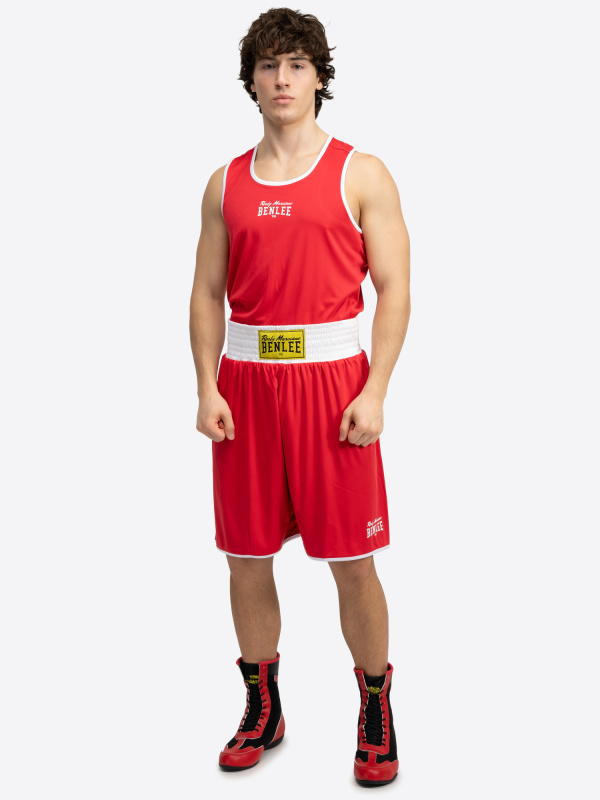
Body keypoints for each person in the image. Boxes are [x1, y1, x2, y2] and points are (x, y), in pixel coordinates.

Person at [189, 7, 410, 787]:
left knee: (352, 561)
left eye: (296, 65)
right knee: (245, 559)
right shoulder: (226, 182)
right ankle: (263, 707)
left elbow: (394, 288)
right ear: (250, 80)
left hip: (333, 388)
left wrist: (375, 390)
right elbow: (206, 292)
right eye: (268, 65)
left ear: (319, 77)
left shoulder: (362, 172)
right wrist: (206, 384)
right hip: (247, 389)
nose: (282, 79)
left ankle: (376, 708)